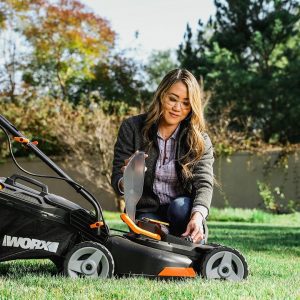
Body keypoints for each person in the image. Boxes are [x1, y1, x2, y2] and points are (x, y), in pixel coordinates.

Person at [111, 68, 214, 243]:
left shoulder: (200, 140)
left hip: (183, 213)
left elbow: (204, 183)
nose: (177, 108)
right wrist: (129, 179)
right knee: (149, 237)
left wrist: (197, 217)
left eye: (186, 103)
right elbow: (117, 178)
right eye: (172, 99)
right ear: (161, 95)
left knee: (180, 207)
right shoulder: (132, 128)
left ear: (192, 107)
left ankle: (189, 238)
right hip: (146, 212)